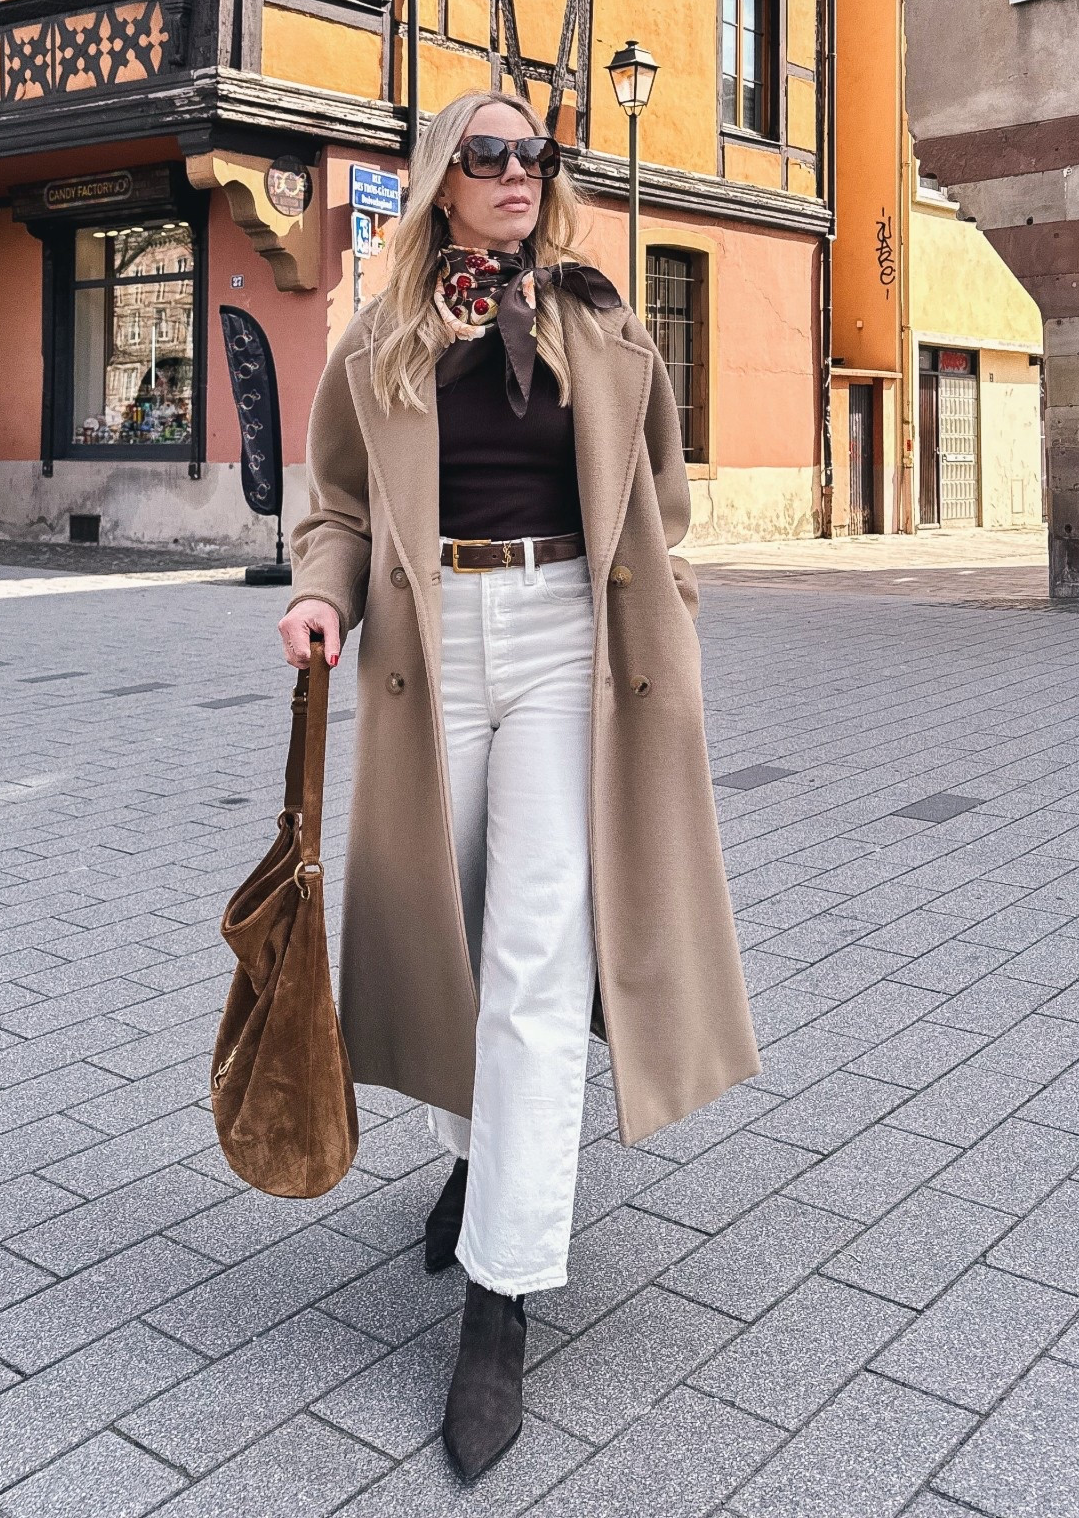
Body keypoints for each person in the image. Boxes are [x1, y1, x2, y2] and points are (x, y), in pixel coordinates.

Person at [279, 89, 759, 1479]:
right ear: (440, 178)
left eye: (530, 156)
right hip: (430, 646)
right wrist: (321, 595)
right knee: (453, 930)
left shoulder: (604, 324)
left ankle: (502, 1296)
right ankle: (479, 1158)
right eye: (483, 154)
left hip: (567, 646)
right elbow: (337, 506)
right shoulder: (379, 338)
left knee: (539, 949)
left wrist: (660, 602)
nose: (511, 173)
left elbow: (661, 503)